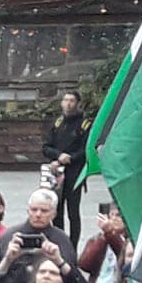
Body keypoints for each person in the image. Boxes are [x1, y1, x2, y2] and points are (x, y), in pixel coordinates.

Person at [43, 87, 91, 239]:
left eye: (72, 101)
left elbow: (87, 150)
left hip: (75, 173)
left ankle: (73, 246)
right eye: (65, 100)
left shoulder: (84, 124)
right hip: (57, 173)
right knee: (57, 211)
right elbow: (46, 147)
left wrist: (70, 157)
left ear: (77, 103)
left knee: (73, 212)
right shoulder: (58, 123)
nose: (68, 104)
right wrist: (58, 157)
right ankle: (60, 242)